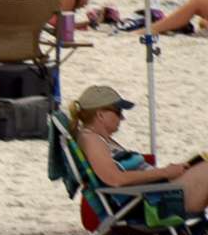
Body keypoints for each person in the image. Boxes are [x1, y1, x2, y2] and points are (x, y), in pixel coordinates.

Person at [68, 84, 208, 215]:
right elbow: (115, 179)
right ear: (100, 114)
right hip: (149, 201)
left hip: (151, 192)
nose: (122, 118)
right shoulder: (92, 140)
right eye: (118, 112)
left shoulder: (98, 138)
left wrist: (168, 172)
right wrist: (164, 172)